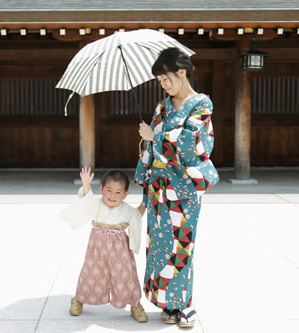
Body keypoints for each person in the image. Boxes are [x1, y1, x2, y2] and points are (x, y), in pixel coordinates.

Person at [134, 47, 219, 328]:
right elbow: (153, 145)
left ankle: (186, 303)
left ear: (181, 72)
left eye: (166, 77)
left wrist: (154, 137)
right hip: (158, 187)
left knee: (182, 245)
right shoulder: (162, 107)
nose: (164, 84)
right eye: (160, 80)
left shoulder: (201, 105)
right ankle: (167, 303)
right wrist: (145, 182)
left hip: (183, 188)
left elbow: (188, 145)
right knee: (159, 245)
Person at [60, 167, 148, 323]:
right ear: (101, 190)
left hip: (120, 248)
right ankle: (79, 298)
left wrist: (145, 203)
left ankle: (135, 303)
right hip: (97, 245)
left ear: (126, 195)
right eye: (109, 190)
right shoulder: (97, 204)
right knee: (91, 271)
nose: (113, 196)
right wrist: (86, 184)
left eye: (118, 192)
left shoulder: (126, 209)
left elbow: (136, 216)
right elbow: (87, 199)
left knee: (126, 274)